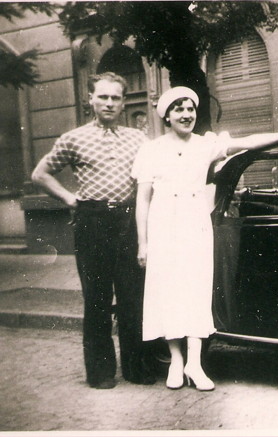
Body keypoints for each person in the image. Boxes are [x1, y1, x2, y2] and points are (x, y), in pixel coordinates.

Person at [132, 86, 278, 390]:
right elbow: (143, 200)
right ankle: (176, 360)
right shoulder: (151, 150)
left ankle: (194, 363)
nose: (186, 114)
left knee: (196, 289)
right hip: (163, 225)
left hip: (194, 223)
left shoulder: (206, 145)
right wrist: (143, 243)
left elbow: (247, 142)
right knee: (168, 290)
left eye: (190, 109)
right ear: (167, 116)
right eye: (179, 109)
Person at [31, 72, 156, 389]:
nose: (109, 103)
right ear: (91, 100)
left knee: (133, 297)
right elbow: (40, 174)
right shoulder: (73, 138)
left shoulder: (139, 139)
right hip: (93, 222)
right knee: (97, 298)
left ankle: (136, 368)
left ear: (124, 103)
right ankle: (100, 372)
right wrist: (70, 199)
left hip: (129, 221)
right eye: (103, 97)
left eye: (116, 98)